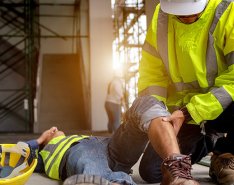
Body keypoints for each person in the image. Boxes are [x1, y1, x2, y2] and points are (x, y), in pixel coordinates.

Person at [107, 0, 234, 185]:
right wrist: (158, 116)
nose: (186, 17)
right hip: (184, 113)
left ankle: (227, 152)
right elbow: (152, 77)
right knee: (152, 171)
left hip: (223, 106)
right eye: (180, 13)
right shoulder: (162, 17)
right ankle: (209, 142)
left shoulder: (227, 9)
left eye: (192, 12)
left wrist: (192, 111)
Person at [26, 127, 136, 185]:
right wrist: (39, 140)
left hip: (103, 143)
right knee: (90, 165)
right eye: (50, 131)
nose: (54, 129)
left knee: (130, 128)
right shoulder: (44, 153)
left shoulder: (73, 137)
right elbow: (19, 154)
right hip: (80, 150)